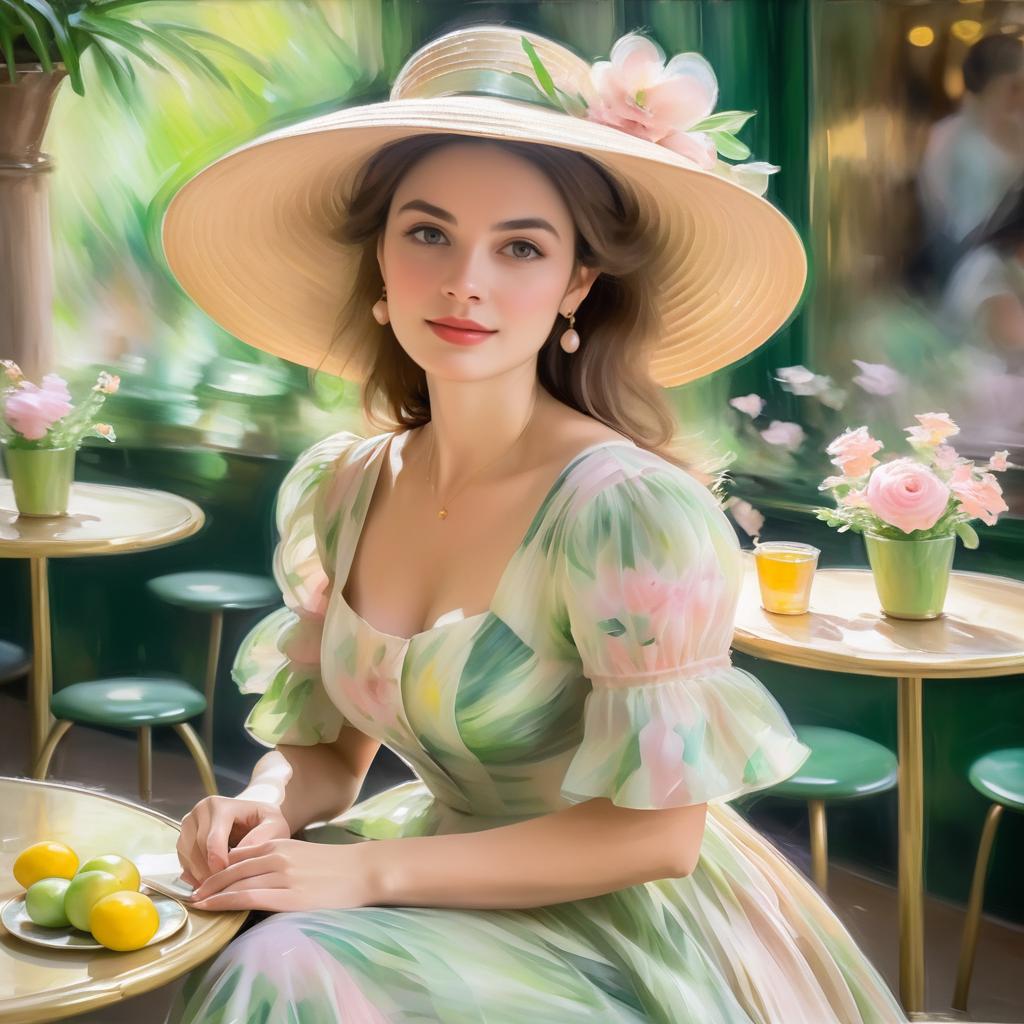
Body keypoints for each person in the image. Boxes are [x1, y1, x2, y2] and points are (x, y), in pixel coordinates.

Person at [159, 24, 909, 1023]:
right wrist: (268, 800)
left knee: (282, 964)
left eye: (520, 245)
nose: (466, 279)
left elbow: (657, 839)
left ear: (576, 285)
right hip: (442, 869)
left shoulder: (627, 512)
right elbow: (331, 752)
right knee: (245, 929)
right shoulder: (339, 488)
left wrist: (364, 879)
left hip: (626, 924)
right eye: (427, 232)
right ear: (380, 260)